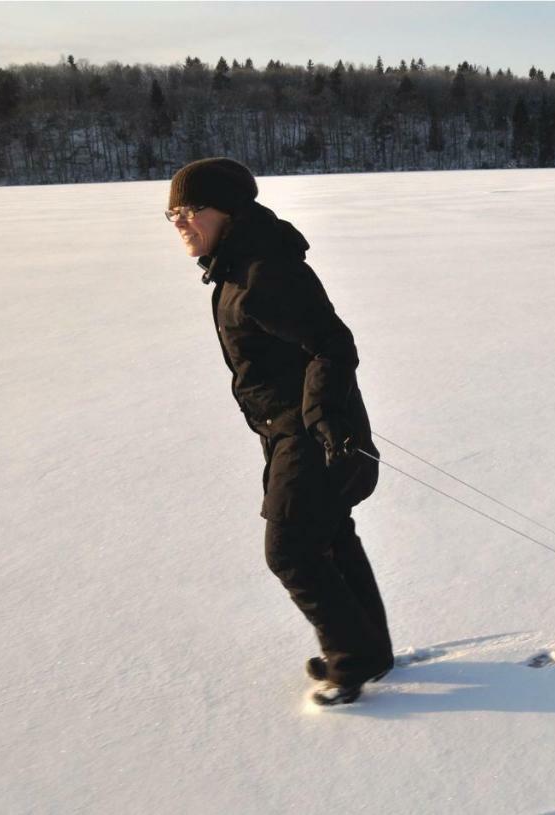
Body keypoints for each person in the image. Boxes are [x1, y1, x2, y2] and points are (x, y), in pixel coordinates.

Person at [167, 157, 393, 706]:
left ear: (229, 211)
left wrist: (321, 418)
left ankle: (351, 662)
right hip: (288, 427)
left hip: (310, 431)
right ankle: (369, 652)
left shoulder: (264, 271)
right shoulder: (236, 265)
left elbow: (332, 345)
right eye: (172, 213)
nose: (180, 222)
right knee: (329, 533)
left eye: (192, 210)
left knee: (290, 548)